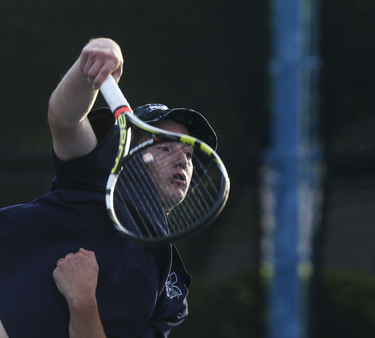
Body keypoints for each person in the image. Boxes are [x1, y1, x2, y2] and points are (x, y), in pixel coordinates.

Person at [0, 38, 218, 337]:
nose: (182, 159)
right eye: (165, 148)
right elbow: (64, 118)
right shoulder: (100, 172)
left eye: (190, 155)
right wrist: (101, 53)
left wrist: (83, 301)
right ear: (126, 153)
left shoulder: (173, 292)